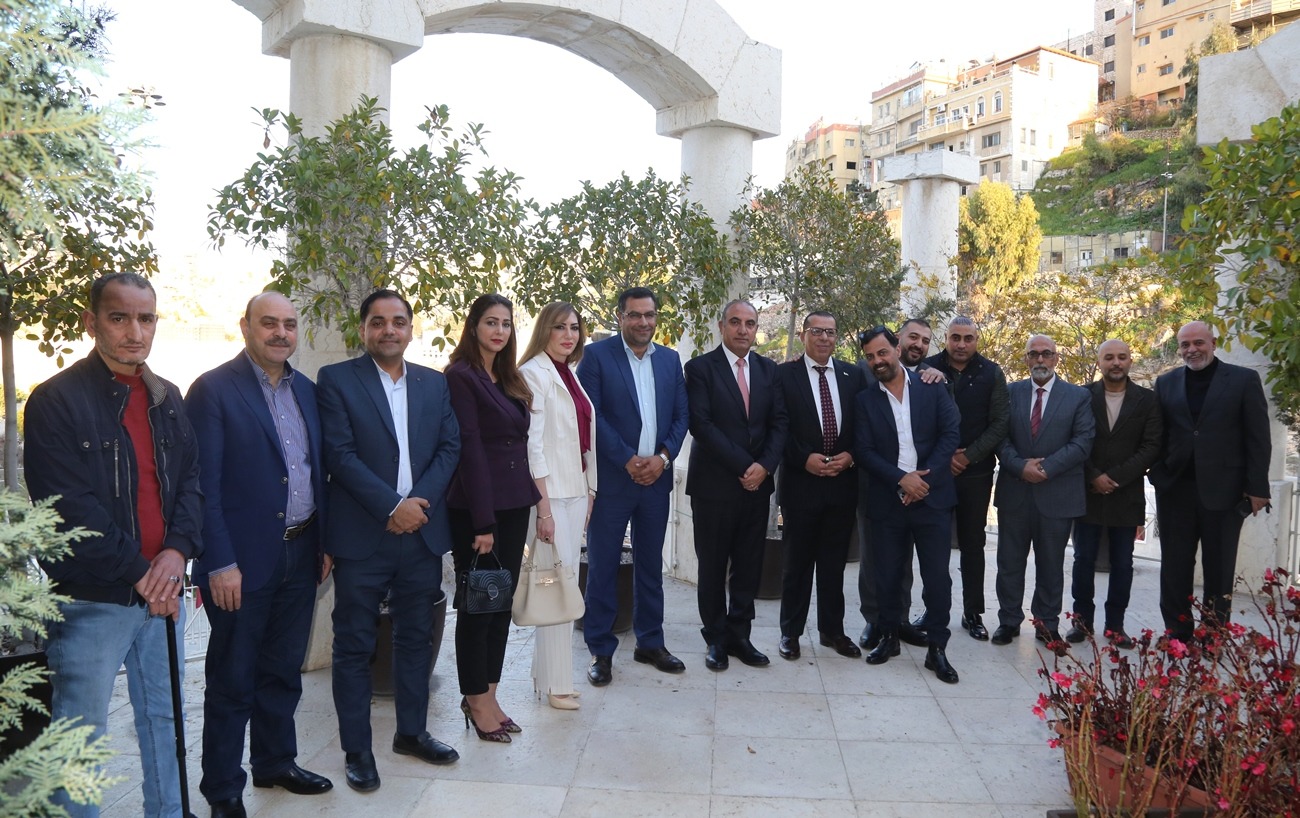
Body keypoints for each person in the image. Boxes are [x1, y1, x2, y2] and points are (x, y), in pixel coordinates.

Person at [24, 272, 202, 818]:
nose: (134, 332)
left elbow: (190, 484)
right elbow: (67, 508)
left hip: (162, 595)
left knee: (166, 721)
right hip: (91, 598)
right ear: (92, 322)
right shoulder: (56, 400)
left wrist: (176, 551)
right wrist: (143, 573)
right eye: (119, 317)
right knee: (79, 736)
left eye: (145, 319)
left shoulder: (167, 398)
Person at [186, 293, 333, 818]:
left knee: (282, 671)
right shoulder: (212, 390)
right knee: (233, 677)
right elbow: (201, 486)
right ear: (245, 326)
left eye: (289, 324)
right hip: (240, 563)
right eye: (268, 323)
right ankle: (223, 787)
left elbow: (317, 472)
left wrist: (324, 543)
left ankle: (275, 762)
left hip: (302, 550)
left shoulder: (307, 391)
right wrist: (219, 562)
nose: (280, 333)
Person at [316, 289, 461, 793]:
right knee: (354, 645)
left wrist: (416, 505)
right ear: (363, 330)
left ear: (410, 329)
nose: (389, 330)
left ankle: (412, 733)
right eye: (378, 322)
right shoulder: (336, 380)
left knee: (416, 638)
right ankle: (357, 750)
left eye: (398, 321)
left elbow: (449, 448)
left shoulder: (433, 382)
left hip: (421, 534)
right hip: (363, 536)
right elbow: (339, 454)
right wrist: (391, 507)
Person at [576, 287, 690, 686]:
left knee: (650, 565)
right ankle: (600, 650)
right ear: (620, 317)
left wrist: (662, 458)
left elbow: (681, 416)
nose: (644, 322)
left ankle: (650, 642)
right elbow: (592, 415)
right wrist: (627, 459)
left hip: (656, 480)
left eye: (650, 315)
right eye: (635, 315)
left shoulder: (670, 359)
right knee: (603, 565)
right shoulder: (596, 356)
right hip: (613, 480)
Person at [444, 293, 541, 742]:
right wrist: (483, 523)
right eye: (490, 322)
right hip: (479, 510)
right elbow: (469, 450)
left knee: (499, 604)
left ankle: (491, 695)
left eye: (505, 323)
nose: (499, 331)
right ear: (473, 327)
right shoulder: (461, 376)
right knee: (478, 607)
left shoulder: (507, 375)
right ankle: (475, 698)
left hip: (514, 503)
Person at [1149, 321, 1271, 640]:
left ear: (1213, 343)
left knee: (1219, 567)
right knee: (1174, 567)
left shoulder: (1244, 380)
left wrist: (1258, 488)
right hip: (1175, 489)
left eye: (1198, 343)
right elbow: (1157, 434)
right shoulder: (1165, 382)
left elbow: (1258, 437)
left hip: (1225, 492)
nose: (1192, 350)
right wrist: (1158, 474)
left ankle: (1213, 635)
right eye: (1185, 345)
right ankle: (1177, 634)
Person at [854, 326, 962, 683]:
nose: (877, 361)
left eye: (882, 352)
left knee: (937, 578)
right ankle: (889, 637)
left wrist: (922, 481)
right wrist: (902, 479)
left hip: (932, 499)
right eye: (870, 356)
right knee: (886, 575)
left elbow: (950, 434)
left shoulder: (932, 387)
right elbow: (864, 451)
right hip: (888, 500)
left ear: (897, 349)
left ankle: (937, 649)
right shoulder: (865, 401)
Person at [684, 300, 788, 671]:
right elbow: (701, 424)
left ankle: (740, 635)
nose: (743, 329)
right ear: (722, 326)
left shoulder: (768, 369)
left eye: (750, 323)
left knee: (748, 565)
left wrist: (765, 467)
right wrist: (747, 466)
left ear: (756, 328)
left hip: (757, 488)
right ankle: (715, 638)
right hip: (714, 486)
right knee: (712, 566)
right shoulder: (699, 369)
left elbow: (780, 423)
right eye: (735, 322)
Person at [990, 335, 1095, 653]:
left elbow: (1083, 441)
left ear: (1056, 358)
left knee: (1051, 565)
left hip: (1058, 493)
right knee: (1009, 563)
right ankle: (1009, 620)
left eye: (1046, 354)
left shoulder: (1078, 396)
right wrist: (1020, 466)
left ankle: (1047, 624)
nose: (1040, 359)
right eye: (1033, 354)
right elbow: (998, 436)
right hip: (1016, 491)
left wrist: (1046, 468)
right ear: (1026, 359)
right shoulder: (1009, 393)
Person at [518, 302, 597, 710]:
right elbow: (533, 449)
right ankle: (557, 685)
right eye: (560, 327)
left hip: (574, 492)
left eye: (575, 328)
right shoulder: (533, 373)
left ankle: (545, 674)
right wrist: (544, 510)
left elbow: (583, 440)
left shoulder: (568, 372)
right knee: (557, 586)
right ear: (544, 331)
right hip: (550, 497)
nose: (569, 335)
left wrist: (590, 491)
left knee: (559, 582)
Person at [774, 311, 866, 661]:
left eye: (830, 332)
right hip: (801, 485)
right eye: (817, 331)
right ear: (803, 335)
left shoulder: (853, 375)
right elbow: (778, 426)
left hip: (842, 485)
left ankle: (832, 631)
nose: (825, 338)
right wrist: (803, 459)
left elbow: (865, 425)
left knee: (833, 565)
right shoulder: (784, 375)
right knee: (796, 565)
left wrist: (851, 456)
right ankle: (791, 633)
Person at [1066, 339, 1162, 649]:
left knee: (1123, 564)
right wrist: (1094, 476)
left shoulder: (1148, 400)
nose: (1116, 362)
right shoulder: (1081, 396)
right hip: (1087, 492)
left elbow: (1151, 446)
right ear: (1100, 362)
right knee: (1082, 560)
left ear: (1130, 361)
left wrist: (1115, 477)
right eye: (1109, 357)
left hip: (1126, 494)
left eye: (1122, 357)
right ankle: (1081, 622)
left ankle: (1115, 626)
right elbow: (1074, 439)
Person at [924, 316, 1010, 642]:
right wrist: (944, 457)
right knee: (934, 546)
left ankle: (973, 613)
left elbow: (1000, 423)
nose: (961, 344)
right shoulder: (928, 368)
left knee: (973, 545)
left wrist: (967, 456)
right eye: (955, 337)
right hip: (935, 472)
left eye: (968, 338)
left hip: (976, 473)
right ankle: (934, 611)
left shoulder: (992, 373)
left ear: (977, 340)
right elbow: (917, 419)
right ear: (946, 338)